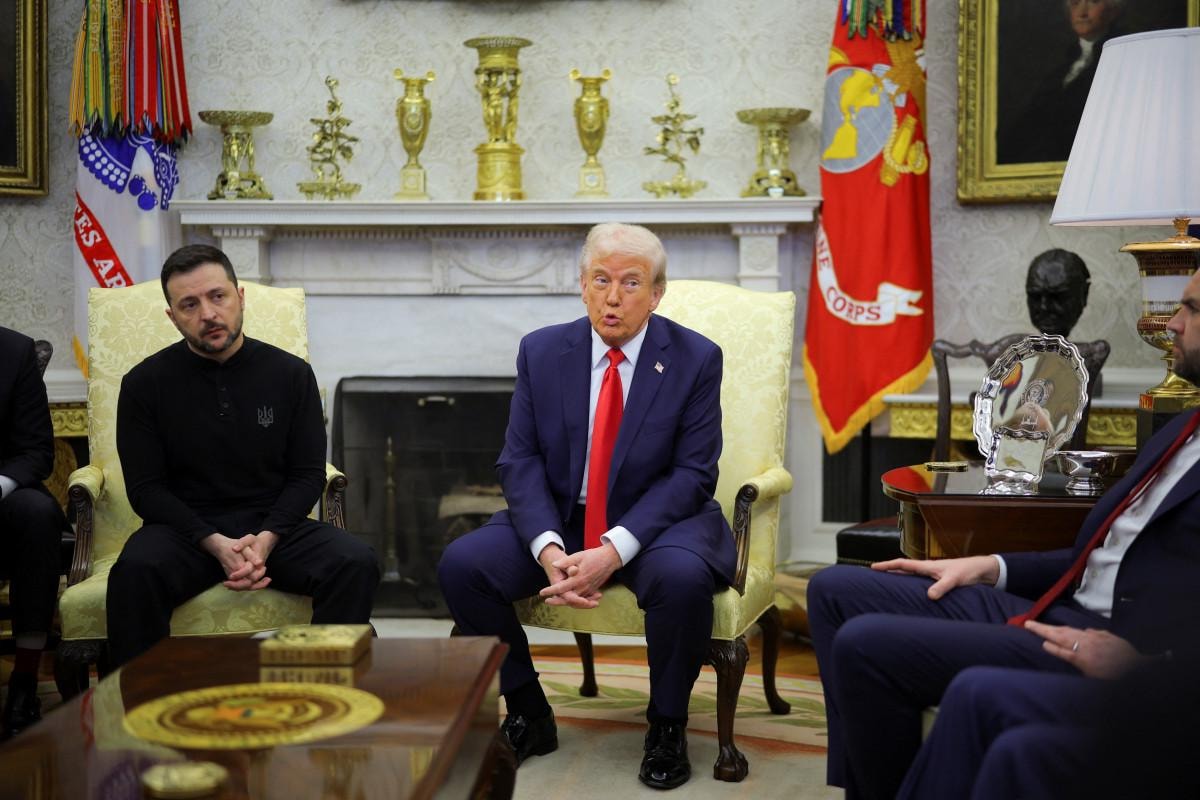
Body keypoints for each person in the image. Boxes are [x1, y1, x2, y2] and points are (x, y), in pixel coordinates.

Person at [808, 264, 1200, 800]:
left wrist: (1150, 665)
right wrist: (989, 566)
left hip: (1107, 642)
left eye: (1191, 309)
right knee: (835, 589)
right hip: (1057, 603)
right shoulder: (1181, 430)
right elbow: (1100, 556)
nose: (1172, 322)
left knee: (866, 644)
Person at [438, 223, 735, 791]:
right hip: (564, 516)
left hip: (656, 523)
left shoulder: (695, 358)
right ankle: (529, 711)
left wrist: (613, 550)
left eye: (631, 283)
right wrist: (548, 548)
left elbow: (693, 474)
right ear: (582, 285)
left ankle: (666, 726)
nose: (613, 297)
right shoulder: (542, 351)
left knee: (682, 579)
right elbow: (519, 459)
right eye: (601, 280)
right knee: (464, 565)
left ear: (657, 294)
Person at [106, 244, 380, 667]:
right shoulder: (143, 383)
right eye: (189, 305)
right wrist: (214, 542)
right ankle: (144, 706)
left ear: (240, 297)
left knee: (354, 561)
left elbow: (307, 473)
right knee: (134, 573)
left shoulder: (291, 374)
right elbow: (146, 489)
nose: (208, 314)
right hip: (185, 533)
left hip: (273, 527)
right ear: (172, 316)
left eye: (218, 296)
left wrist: (266, 539)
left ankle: (323, 693)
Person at [0, 327, 68, 739]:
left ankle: (24, 683)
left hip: (3, 495)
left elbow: (36, 451)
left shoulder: (14, 350)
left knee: (39, 514)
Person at [997, 0, 1124, 165]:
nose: (1082, 13)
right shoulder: (1061, 66)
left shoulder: (1120, 59)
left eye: (1093, 2)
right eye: (1075, 3)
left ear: (1113, 10)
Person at [1026, 248, 1091, 338]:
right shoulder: (1010, 346)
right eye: (1035, 297)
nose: (1044, 307)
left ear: (1084, 294)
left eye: (1057, 297)